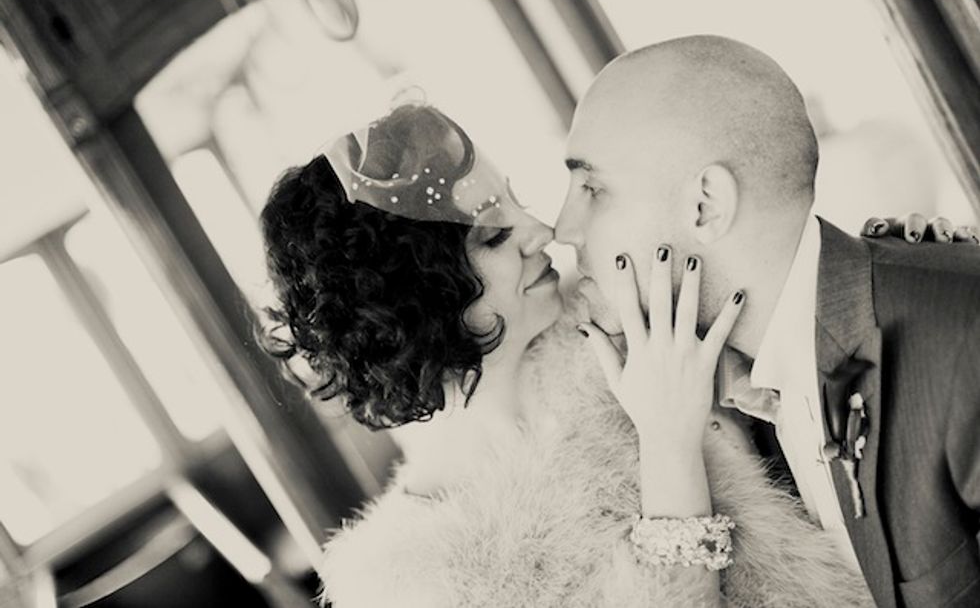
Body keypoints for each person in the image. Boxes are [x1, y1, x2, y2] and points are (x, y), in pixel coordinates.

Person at [258, 104, 877, 607]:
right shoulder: (409, 579)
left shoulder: (610, 322)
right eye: (495, 234)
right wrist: (669, 443)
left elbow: (802, 299)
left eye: (514, 201)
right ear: (420, 296)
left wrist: (892, 264)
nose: (541, 230)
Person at [556, 35, 980, 608]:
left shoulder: (963, 336)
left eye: (591, 188)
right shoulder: (714, 398)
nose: (563, 228)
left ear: (706, 205)